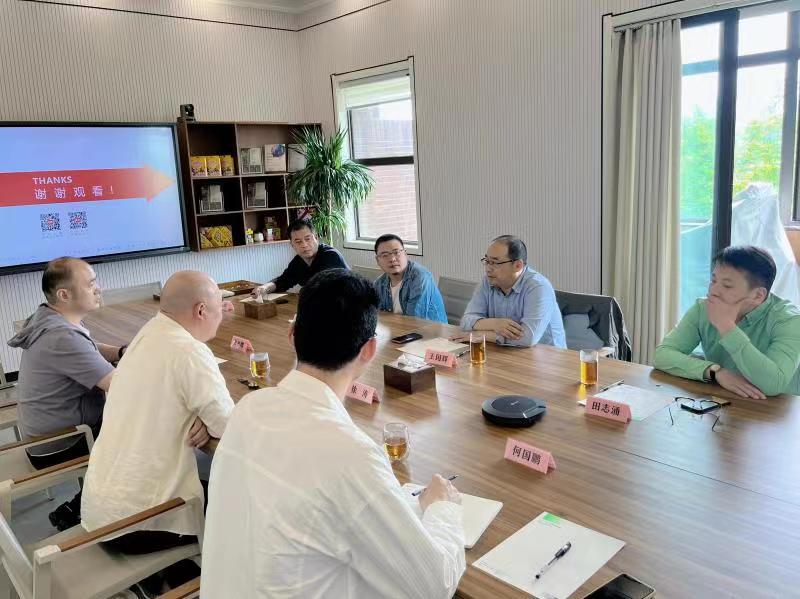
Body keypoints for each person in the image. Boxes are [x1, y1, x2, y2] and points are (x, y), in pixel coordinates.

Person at [201, 269, 466, 598]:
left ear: (292, 335)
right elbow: (434, 585)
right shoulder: (350, 455)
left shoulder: (248, 409)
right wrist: (442, 507)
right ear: (369, 350)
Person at [81, 270, 235, 591]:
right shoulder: (188, 351)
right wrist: (206, 422)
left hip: (101, 511)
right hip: (140, 524)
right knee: (244, 504)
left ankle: (172, 574)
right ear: (201, 311)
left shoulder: (148, 333)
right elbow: (230, 430)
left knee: (211, 483)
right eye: (219, 307)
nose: (222, 315)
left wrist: (197, 417)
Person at [7, 257, 123, 529]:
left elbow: (88, 345)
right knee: (144, 429)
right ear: (64, 295)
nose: (98, 289)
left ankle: (82, 504)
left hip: (43, 433)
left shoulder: (49, 317)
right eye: (91, 284)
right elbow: (122, 386)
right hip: (61, 443)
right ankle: (96, 508)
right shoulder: (62, 337)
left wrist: (120, 352)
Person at [654, 245, 800, 398]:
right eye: (713, 280)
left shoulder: (789, 320)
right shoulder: (703, 308)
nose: (713, 291)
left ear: (758, 295)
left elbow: (774, 384)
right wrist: (714, 371)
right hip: (722, 402)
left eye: (727, 286)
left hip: (778, 408)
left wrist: (727, 327)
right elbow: (662, 355)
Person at [453, 235, 566, 348]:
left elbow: (527, 338)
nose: (488, 269)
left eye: (495, 263)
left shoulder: (538, 287)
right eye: (487, 261)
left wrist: (482, 334)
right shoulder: (488, 281)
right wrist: (495, 324)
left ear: (518, 265)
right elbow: (466, 321)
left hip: (547, 355)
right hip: (505, 351)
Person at [252, 219, 348, 297]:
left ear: (316, 238)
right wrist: (265, 287)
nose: (304, 245)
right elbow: (283, 281)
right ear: (292, 245)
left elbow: (324, 289)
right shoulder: (298, 261)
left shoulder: (331, 256)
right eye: (298, 242)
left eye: (307, 239)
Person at [373, 233, 447, 323]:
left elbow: (414, 321)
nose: (392, 259)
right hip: (397, 329)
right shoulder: (379, 284)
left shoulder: (420, 278)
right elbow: (377, 316)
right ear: (377, 260)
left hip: (430, 330)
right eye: (385, 255)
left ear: (405, 254)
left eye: (396, 252)